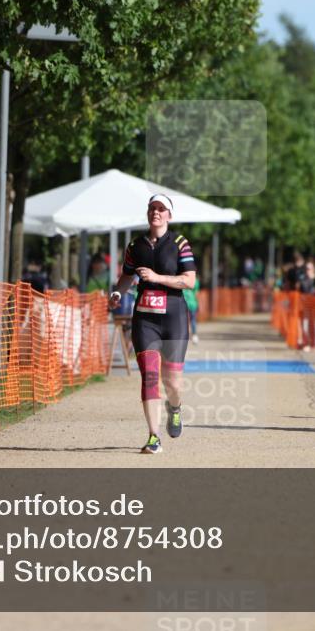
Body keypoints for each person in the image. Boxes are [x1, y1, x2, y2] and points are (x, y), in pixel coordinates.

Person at [109, 194, 196, 454]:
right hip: (145, 319)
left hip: (174, 318)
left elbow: (189, 280)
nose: (156, 213)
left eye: (161, 209)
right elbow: (125, 278)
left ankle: (176, 407)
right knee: (149, 376)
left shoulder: (180, 243)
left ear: (169, 215)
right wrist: (117, 292)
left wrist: (158, 277)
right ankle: (153, 436)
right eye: (152, 209)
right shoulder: (135, 246)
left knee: (173, 383)